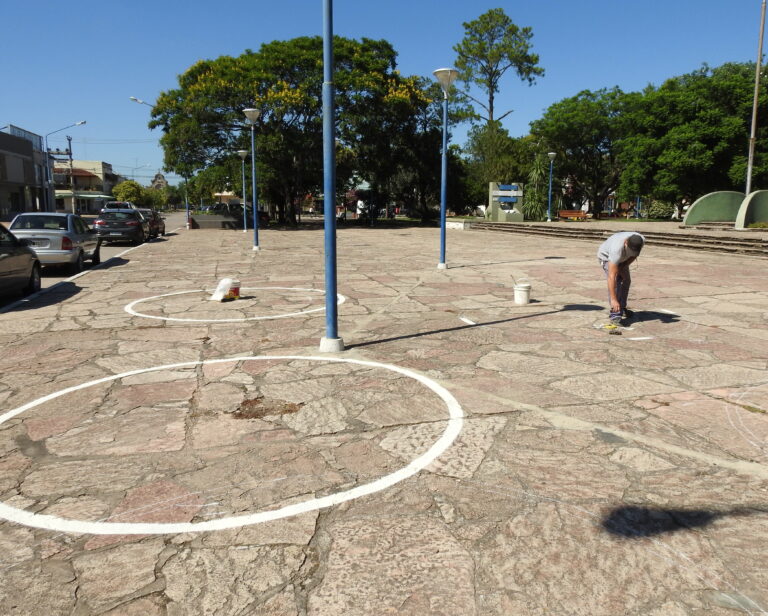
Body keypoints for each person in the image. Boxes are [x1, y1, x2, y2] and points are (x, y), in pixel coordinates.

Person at [597, 231, 645, 334]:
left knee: (626, 280)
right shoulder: (616, 249)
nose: (633, 252)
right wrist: (614, 299)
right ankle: (615, 313)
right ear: (626, 243)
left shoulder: (641, 240)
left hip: (623, 259)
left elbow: (634, 255)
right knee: (617, 280)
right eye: (631, 250)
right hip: (606, 257)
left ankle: (622, 308)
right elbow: (611, 277)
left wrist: (623, 266)